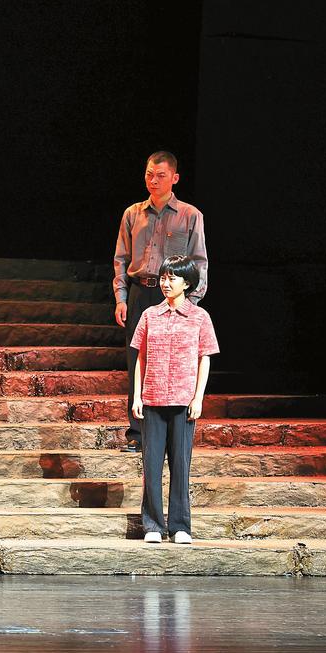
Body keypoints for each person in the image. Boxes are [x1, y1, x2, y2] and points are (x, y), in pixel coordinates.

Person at [113, 151, 208, 453]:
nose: (153, 180)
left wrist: (192, 302)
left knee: (174, 362)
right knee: (138, 360)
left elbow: (199, 261)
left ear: (175, 178)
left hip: (176, 294)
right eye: (149, 174)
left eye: (161, 175)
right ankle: (138, 434)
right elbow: (120, 258)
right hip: (141, 292)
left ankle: (172, 433)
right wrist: (121, 297)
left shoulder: (190, 215)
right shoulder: (132, 214)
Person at [131, 255, 219, 545]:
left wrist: (198, 398)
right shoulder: (149, 315)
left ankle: (180, 525)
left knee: (180, 465)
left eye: (172, 278)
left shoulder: (199, 317)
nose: (165, 283)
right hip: (153, 398)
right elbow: (141, 357)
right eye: (163, 278)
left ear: (187, 283)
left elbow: (204, 358)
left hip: (183, 400)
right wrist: (137, 396)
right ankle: (153, 525)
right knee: (151, 465)